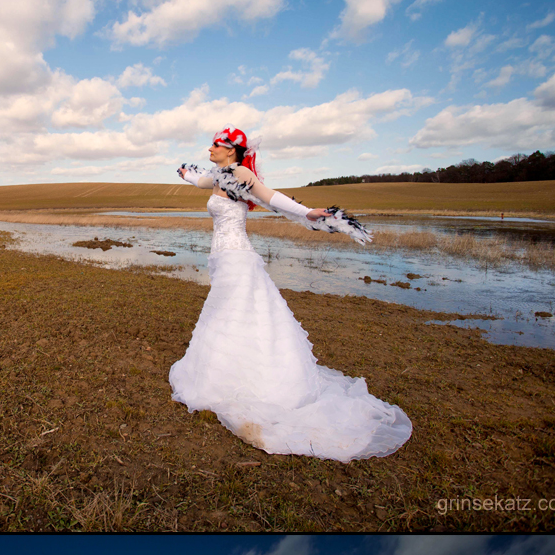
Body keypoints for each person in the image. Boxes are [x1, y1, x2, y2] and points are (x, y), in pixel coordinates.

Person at [172, 130, 412, 460]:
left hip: (237, 257)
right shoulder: (218, 176)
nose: (210, 149)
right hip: (223, 257)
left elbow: (270, 196)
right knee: (230, 315)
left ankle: (246, 381)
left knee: (230, 313)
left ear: (232, 151)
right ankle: (230, 372)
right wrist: (186, 173)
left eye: (216, 145)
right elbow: (201, 181)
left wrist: (308, 212)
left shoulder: (241, 174)